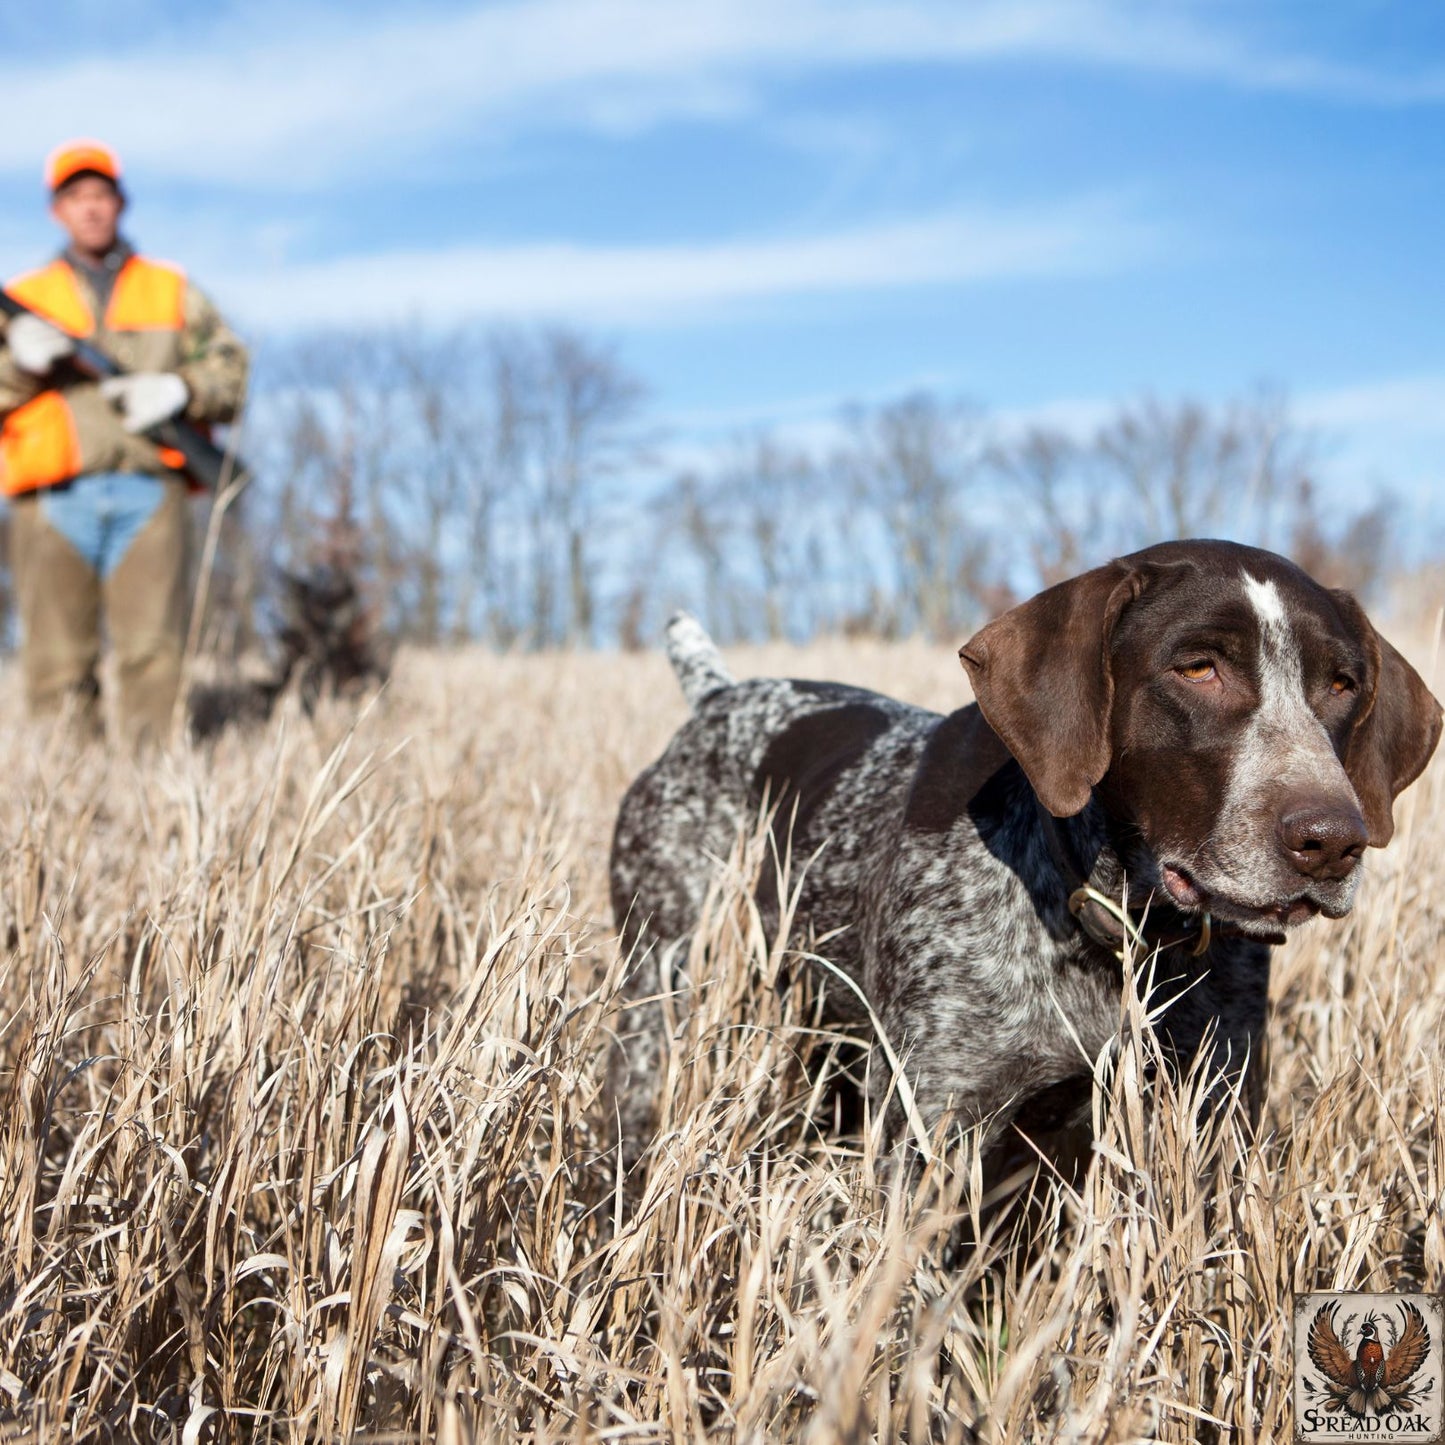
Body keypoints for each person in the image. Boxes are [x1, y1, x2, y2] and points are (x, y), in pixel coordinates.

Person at [0, 139, 248, 745]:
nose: (89, 208)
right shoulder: (25, 299)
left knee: (155, 659)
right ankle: (66, 815)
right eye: (75, 197)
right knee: (56, 665)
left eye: (100, 195)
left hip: (150, 493)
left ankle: (149, 807)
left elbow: (232, 372)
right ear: (57, 210)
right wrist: (19, 365)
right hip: (53, 497)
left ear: (120, 204)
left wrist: (179, 390)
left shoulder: (171, 288)